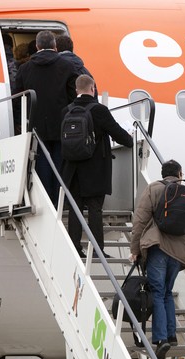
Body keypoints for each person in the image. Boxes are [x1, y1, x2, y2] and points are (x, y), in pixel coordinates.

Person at [130, 160, 185, 359]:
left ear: (163, 173)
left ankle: (161, 338)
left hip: (158, 249)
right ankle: (171, 334)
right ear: (180, 174)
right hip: (179, 253)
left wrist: (134, 249)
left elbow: (140, 220)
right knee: (166, 292)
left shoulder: (154, 189)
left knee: (158, 292)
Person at [61, 74, 134, 259]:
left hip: (72, 170)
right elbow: (120, 135)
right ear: (93, 89)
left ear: (76, 90)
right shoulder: (99, 110)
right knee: (95, 209)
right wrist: (130, 139)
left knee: (75, 210)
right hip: (95, 170)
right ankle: (97, 250)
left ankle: (75, 248)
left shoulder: (67, 111)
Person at [14, 30, 77, 205]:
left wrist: (20, 122)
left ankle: (45, 202)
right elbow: (74, 98)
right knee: (59, 164)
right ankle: (59, 203)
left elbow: (17, 99)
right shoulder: (67, 67)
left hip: (35, 125)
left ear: (37, 46)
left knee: (41, 164)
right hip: (61, 126)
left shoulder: (24, 69)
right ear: (55, 46)